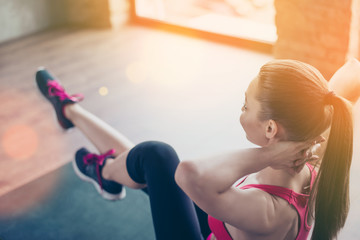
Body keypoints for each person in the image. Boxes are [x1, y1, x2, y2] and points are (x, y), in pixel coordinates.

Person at [35, 58, 356, 240]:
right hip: (225, 224)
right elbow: (345, 80)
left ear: (271, 129)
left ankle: (105, 171)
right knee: (152, 166)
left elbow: (189, 175)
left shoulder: (268, 211)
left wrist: (271, 154)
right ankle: (69, 111)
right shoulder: (313, 145)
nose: (241, 112)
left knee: (157, 157)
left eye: (246, 105)